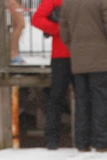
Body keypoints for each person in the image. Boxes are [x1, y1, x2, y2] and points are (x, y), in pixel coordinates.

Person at [60, 0, 107, 152]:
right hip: (102, 57)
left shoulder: (68, 3)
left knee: (82, 100)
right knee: (101, 100)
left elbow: (64, 31)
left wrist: (74, 48)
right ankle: (102, 141)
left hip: (79, 58)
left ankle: (82, 142)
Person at [31, 0, 71, 149]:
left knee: (82, 97)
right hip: (61, 54)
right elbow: (37, 19)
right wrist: (58, 29)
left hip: (78, 54)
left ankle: (83, 137)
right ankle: (52, 138)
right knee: (57, 97)